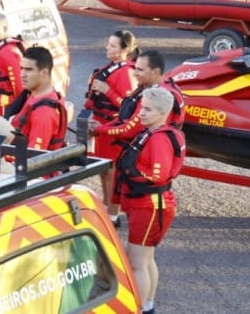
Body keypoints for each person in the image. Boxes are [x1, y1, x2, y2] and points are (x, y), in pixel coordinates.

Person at [93, 50, 185, 224]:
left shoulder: (156, 96)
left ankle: (113, 217)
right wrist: (103, 127)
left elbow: (130, 128)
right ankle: (112, 214)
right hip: (144, 150)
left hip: (149, 160)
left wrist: (101, 130)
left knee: (121, 173)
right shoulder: (150, 88)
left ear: (156, 72)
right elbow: (126, 119)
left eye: (140, 70)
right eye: (136, 68)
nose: (135, 73)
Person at [116, 86, 184, 314]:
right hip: (151, 205)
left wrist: (133, 169)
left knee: (137, 263)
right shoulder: (155, 133)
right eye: (141, 108)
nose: (141, 113)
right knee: (146, 259)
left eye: (147, 109)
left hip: (150, 205)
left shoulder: (157, 140)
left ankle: (137, 308)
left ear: (162, 113)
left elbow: (158, 175)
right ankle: (148, 306)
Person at [84, 30, 138, 223]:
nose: (108, 48)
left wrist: (107, 90)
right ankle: (106, 206)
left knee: (112, 173)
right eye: (108, 44)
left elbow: (128, 107)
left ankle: (113, 214)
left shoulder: (127, 73)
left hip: (113, 128)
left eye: (113, 45)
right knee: (103, 169)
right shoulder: (109, 68)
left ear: (125, 50)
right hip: (100, 125)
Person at [5, 46, 66, 151]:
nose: (22, 75)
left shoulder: (43, 113)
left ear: (44, 73)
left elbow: (33, 158)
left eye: (29, 70)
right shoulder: (35, 94)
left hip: (19, 164)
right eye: (22, 69)